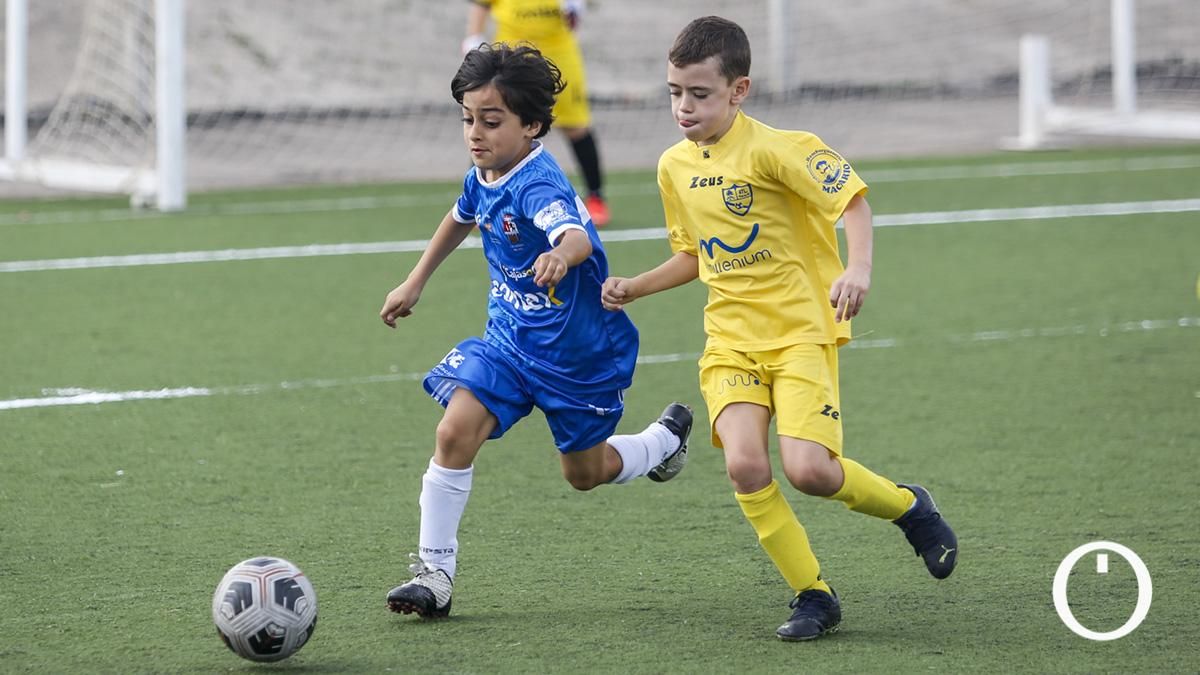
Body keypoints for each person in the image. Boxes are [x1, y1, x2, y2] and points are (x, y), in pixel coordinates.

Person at [601, 16, 958, 641]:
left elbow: (853, 201)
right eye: (674, 92)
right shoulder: (673, 167)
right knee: (744, 466)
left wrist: (860, 269)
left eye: (700, 94)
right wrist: (635, 286)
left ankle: (910, 507)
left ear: (739, 90)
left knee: (811, 471)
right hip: (730, 340)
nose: (684, 107)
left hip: (800, 335)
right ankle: (813, 594)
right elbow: (695, 253)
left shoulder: (780, 148)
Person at [379, 43, 692, 619]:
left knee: (585, 473)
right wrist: (415, 280)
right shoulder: (485, 170)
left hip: (579, 356)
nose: (475, 133)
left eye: (491, 122)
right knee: (453, 433)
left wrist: (563, 257)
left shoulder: (537, 184)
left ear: (532, 126)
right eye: (468, 119)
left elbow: (571, 234)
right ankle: (434, 575)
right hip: (508, 343)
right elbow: (460, 216)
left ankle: (662, 442)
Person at [463, 0, 611, 226]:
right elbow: (481, 5)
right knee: (490, 124)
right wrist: (473, 37)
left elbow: (578, 14)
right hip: (510, 60)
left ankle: (596, 197)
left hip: (559, 55)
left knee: (576, 127)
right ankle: (478, 201)